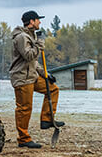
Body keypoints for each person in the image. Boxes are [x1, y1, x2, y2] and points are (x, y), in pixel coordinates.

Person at [8, 9, 62, 149]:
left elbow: (33, 62)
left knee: (53, 89)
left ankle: (47, 119)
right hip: (22, 78)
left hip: (31, 75)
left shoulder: (29, 36)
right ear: (31, 21)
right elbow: (28, 55)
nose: (40, 22)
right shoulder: (21, 37)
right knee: (24, 108)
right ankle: (23, 139)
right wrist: (39, 45)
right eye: (38, 19)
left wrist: (45, 74)